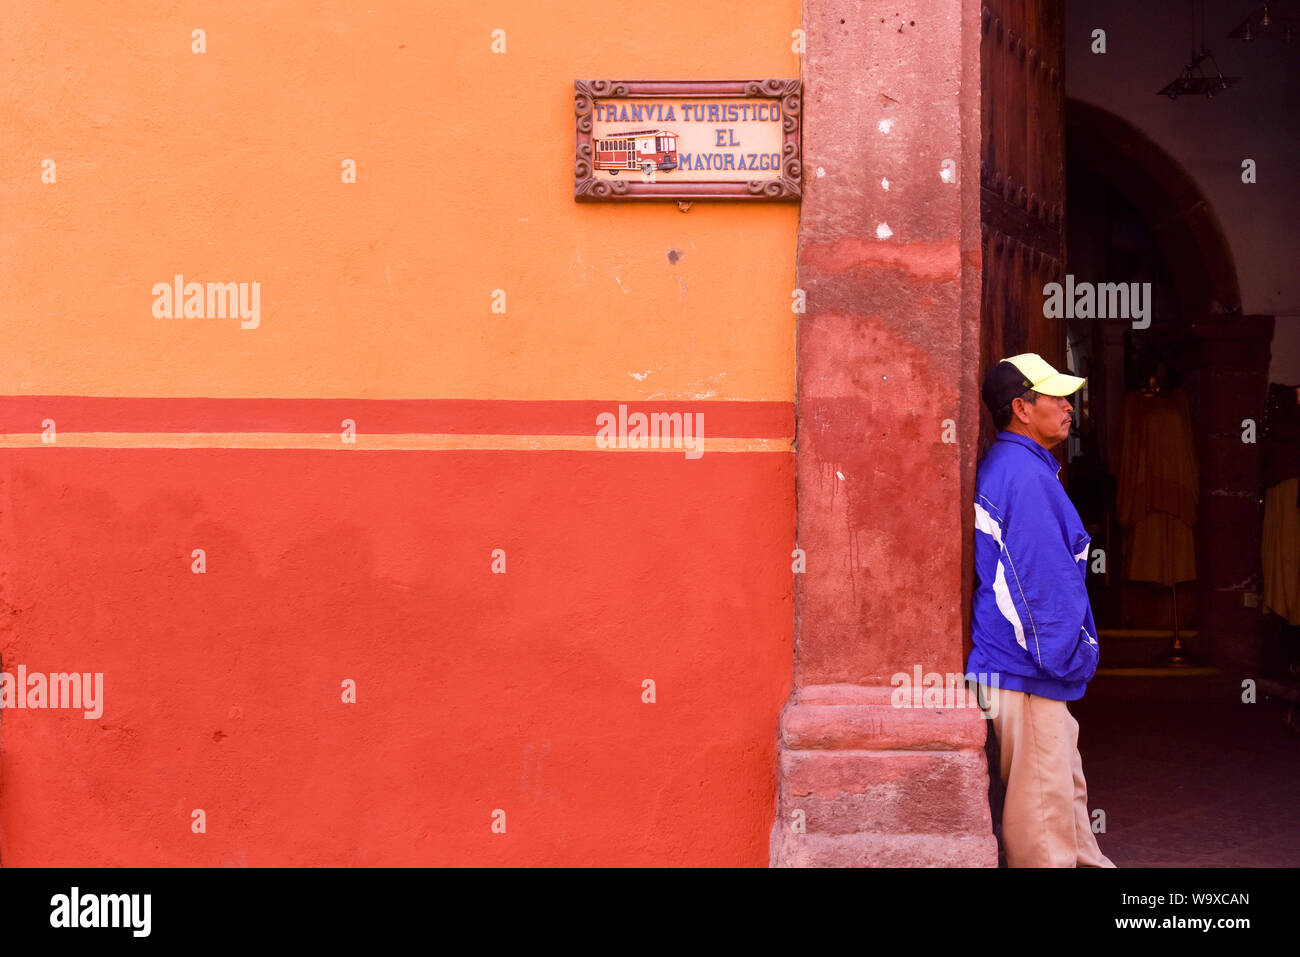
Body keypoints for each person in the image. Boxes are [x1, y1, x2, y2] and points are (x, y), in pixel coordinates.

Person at [968, 353, 1115, 868]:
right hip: (1027, 669)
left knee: (1060, 803)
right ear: (1021, 408)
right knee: (1045, 821)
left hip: (1025, 668)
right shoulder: (1024, 476)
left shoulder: (1022, 468)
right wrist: (1067, 658)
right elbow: (1039, 588)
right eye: (1056, 397)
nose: (1068, 407)